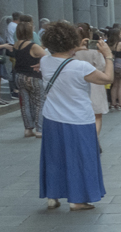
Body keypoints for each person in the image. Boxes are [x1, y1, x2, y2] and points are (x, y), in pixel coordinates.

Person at [38, 21, 112, 210]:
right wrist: (108, 56)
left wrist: (74, 47)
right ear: (71, 43)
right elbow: (108, 79)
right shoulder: (80, 67)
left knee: (54, 158)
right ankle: (77, 200)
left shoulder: (45, 62)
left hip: (52, 117)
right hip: (78, 119)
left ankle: (52, 196)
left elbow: (56, 53)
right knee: (81, 159)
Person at [1, 20, 47, 137]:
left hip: (19, 76)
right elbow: (47, 58)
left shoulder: (16, 45)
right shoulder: (33, 46)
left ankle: (28, 129)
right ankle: (39, 129)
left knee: (25, 103)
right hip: (33, 76)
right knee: (39, 103)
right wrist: (40, 65)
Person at [73, 24, 109, 136]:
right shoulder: (94, 49)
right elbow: (102, 66)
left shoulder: (71, 49)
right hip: (95, 82)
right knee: (97, 115)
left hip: (77, 83)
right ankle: (94, 138)